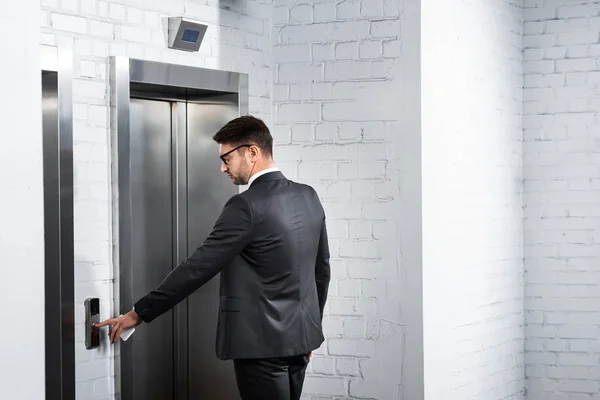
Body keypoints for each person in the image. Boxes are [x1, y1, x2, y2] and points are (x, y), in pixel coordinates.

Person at [96, 115, 331, 400]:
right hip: (300, 341)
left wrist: (138, 313)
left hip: (261, 348)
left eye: (227, 158)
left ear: (252, 152)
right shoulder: (308, 196)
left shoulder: (245, 206)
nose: (223, 168)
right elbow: (321, 272)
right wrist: (309, 330)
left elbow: (198, 267)